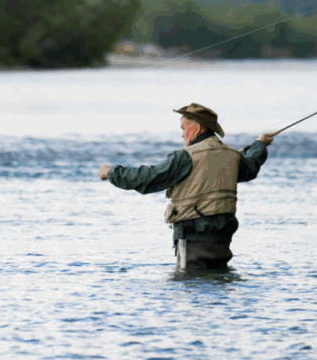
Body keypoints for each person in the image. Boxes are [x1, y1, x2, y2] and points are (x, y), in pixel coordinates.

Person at [99, 103, 274, 271]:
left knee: (189, 287)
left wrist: (112, 173)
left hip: (192, 239)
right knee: (217, 287)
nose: (182, 135)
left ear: (196, 129)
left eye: (183, 129)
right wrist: (259, 145)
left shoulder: (185, 157)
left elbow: (147, 179)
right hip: (223, 240)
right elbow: (251, 166)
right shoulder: (232, 156)